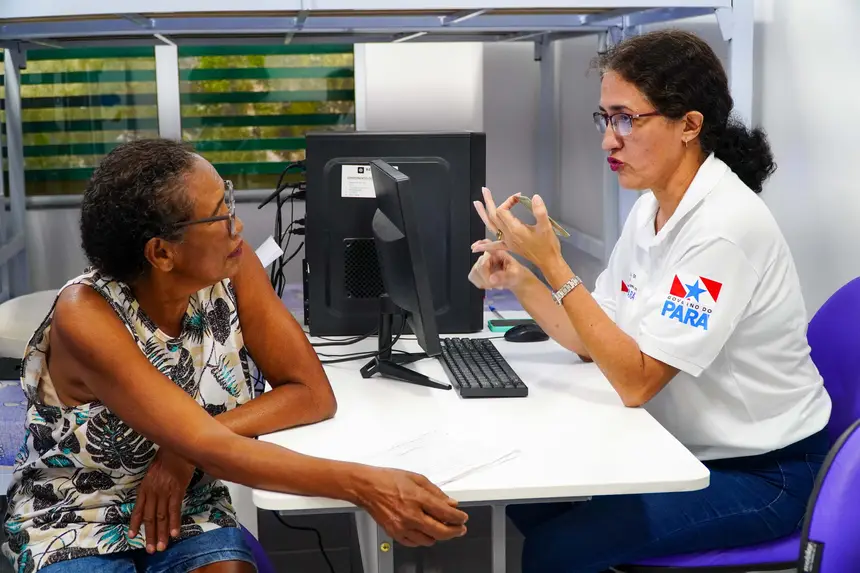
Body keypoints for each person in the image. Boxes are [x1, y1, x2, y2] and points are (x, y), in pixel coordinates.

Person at [3, 139, 468, 573]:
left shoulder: (232, 265)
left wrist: (180, 455)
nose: (237, 224)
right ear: (162, 253)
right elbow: (211, 447)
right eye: (220, 213)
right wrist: (368, 485)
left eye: (227, 199)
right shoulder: (85, 316)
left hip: (190, 505)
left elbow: (311, 393)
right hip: (75, 516)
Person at [469, 30, 832, 573]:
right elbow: (591, 341)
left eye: (626, 119)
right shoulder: (652, 208)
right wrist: (521, 278)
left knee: (557, 549)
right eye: (604, 119)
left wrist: (555, 264)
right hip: (682, 448)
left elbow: (636, 382)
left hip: (767, 474)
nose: (608, 141)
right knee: (529, 496)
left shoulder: (723, 229)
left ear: (689, 124)